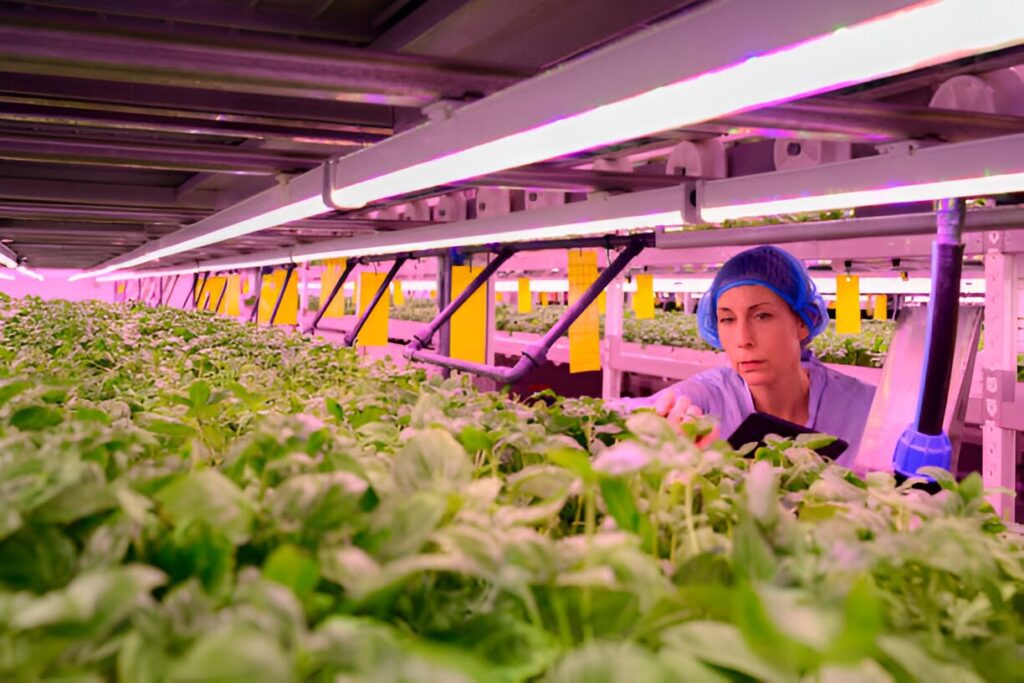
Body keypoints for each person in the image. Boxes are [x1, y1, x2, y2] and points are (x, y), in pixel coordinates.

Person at [627, 245, 876, 463]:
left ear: (803, 321)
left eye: (762, 316)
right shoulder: (709, 397)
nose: (743, 340)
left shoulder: (864, 407)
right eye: (727, 319)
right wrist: (658, 417)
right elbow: (627, 413)